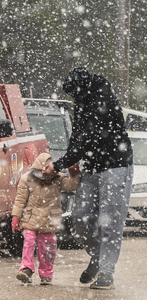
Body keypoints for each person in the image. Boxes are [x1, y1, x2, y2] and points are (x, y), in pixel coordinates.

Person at [44, 66, 133, 289]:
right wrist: (71, 159)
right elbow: (78, 136)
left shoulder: (103, 98)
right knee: (80, 218)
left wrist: (58, 165)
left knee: (110, 221)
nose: (74, 97)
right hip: (92, 167)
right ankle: (97, 256)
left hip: (116, 165)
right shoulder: (83, 102)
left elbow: (89, 137)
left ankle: (106, 272)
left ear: (83, 86)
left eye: (75, 92)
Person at [12, 153, 80, 285]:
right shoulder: (26, 179)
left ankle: (46, 274)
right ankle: (26, 269)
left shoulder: (59, 179)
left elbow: (71, 186)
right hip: (31, 218)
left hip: (49, 219)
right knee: (29, 243)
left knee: (48, 248)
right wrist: (16, 217)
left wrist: (74, 174)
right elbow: (20, 200)